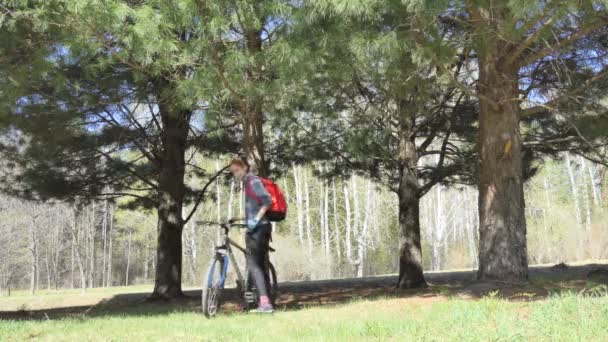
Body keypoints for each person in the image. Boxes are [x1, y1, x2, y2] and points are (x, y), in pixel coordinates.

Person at [229, 158, 274, 313]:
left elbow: (267, 201)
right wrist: (238, 218)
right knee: (258, 265)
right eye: (232, 172)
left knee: (254, 265)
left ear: (244, 168)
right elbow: (253, 208)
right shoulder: (247, 183)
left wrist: (255, 220)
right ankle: (264, 301)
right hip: (259, 227)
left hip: (259, 228)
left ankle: (265, 304)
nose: (235, 174)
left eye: (236, 170)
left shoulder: (252, 181)